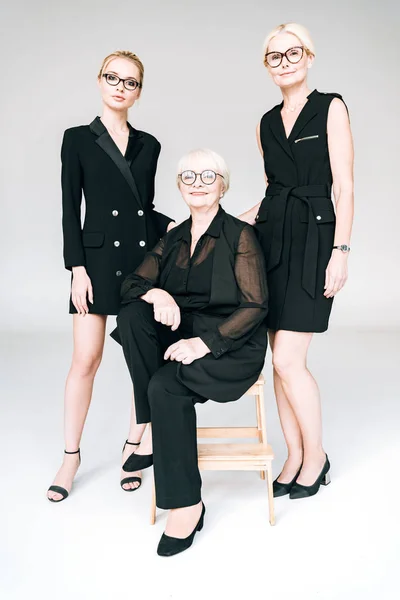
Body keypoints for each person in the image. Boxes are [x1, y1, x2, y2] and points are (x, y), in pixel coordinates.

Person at [111, 149, 268, 555]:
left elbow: (254, 307)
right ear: (180, 187)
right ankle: (146, 425)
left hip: (229, 344)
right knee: (132, 315)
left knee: (165, 388)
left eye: (208, 175)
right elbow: (130, 283)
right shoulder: (174, 236)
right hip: (182, 337)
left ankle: (186, 505)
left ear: (223, 184)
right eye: (188, 177)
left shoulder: (239, 235)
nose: (198, 183)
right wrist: (158, 291)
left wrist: (204, 344)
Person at [47, 51, 175, 503]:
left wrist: (180, 228)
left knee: (141, 358)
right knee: (86, 359)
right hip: (96, 265)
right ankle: (70, 456)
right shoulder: (77, 139)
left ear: (140, 91)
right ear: (99, 80)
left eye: (132, 82)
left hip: (141, 264)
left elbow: (145, 210)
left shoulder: (150, 145)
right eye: (113, 77)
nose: (121, 86)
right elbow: (70, 209)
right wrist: (76, 269)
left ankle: (133, 446)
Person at [239, 23, 354, 499]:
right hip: (273, 243)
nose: (284, 62)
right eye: (274, 56)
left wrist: (341, 252)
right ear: (266, 67)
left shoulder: (331, 107)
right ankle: (294, 455)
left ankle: (318, 455)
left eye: (292, 53)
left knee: (290, 358)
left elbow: (344, 187)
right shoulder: (266, 122)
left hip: (314, 242)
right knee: (276, 361)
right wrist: (216, 223)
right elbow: (271, 194)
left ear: (308, 56)